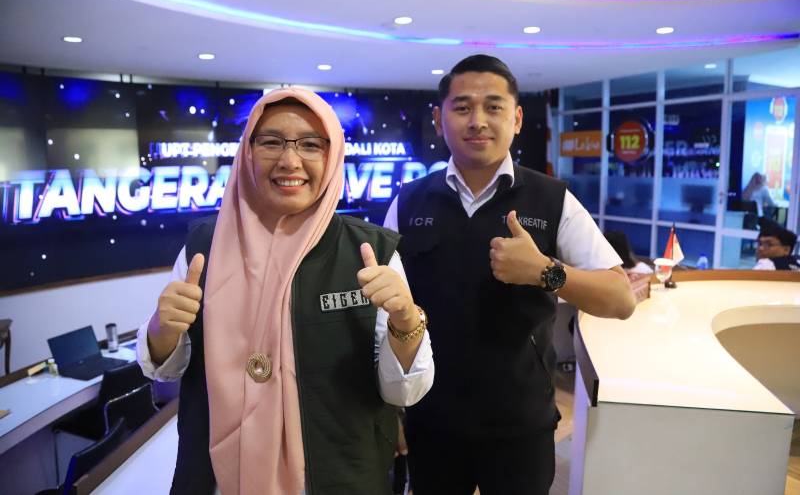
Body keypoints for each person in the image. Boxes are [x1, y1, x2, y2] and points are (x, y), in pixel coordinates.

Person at [137, 87, 434, 495]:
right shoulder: (204, 247)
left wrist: (406, 320)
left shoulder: (371, 251)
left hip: (340, 479)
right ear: (247, 152)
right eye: (271, 142)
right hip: (219, 479)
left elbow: (404, 389)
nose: (290, 161)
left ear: (332, 155)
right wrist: (162, 329)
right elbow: (165, 369)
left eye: (310, 144)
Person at [383, 55, 636, 495]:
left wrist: (546, 272)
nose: (478, 121)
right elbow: (380, 315)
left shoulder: (552, 199)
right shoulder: (407, 203)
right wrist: (390, 410)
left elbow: (621, 298)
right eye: (462, 107)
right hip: (431, 420)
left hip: (521, 426)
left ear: (516, 119)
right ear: (439, 120)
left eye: (493, 107)